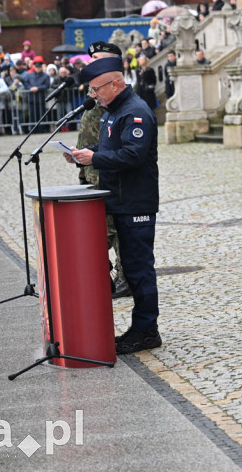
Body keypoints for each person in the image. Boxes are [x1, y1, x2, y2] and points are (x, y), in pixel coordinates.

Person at [70, 56, 160, 354]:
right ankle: (140, 328)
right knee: (131, 270)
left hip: (135, 202)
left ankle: (146, 330)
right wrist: (87, 152)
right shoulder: (112, 111)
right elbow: (111, 147)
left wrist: (94, 158)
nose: (93, 95)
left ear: (116, 83)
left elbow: (132, 155)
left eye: (97, 89)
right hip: (117, 199)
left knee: (138, 269)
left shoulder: (135, 112)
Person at [76, 41, 128, 298]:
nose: (92, 62)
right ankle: (105, 275)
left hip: (107, 169)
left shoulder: (115, 94)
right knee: (100, 227)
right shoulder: (95, 90)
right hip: (91, 166)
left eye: (98, 58)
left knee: (114, 228)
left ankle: (124, 276)